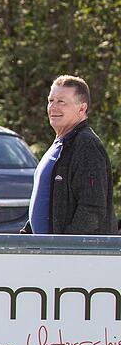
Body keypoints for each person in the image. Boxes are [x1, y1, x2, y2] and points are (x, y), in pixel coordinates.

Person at [22, 75, 117, 235]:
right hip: (46, 251)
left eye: (61, 102)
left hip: (72, 255)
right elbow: (47, 203)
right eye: (51, 101)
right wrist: (27, 236)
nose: (53, 107)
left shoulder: (86, 145)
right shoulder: (60, 143)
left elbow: (92, 208)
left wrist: (65, 247)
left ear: (82, 108)